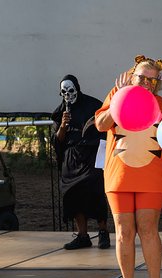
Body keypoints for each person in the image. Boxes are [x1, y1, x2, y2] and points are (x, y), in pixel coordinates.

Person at [95, 55, 162, 278]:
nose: (147, 83)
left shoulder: (159, 102)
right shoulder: (116, 93)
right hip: (119, 175)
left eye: (152, 80)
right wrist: (119, 96)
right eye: (142, 78)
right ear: (132, 75)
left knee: (148, 229)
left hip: (151, 174)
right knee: (124, 232)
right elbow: (100, 124)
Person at [51, 74, 110, 250]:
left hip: (91, 156)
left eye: (71, 91)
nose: (68, 95)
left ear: (77, 89)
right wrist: (63, 125)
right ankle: (82, 235)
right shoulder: (61, 112)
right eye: (64, 92)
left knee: (95, 192)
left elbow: (104, 129)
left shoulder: (93, 106)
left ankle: (103, 232)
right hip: (71, 158)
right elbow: (58, 140)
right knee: (72, 194)